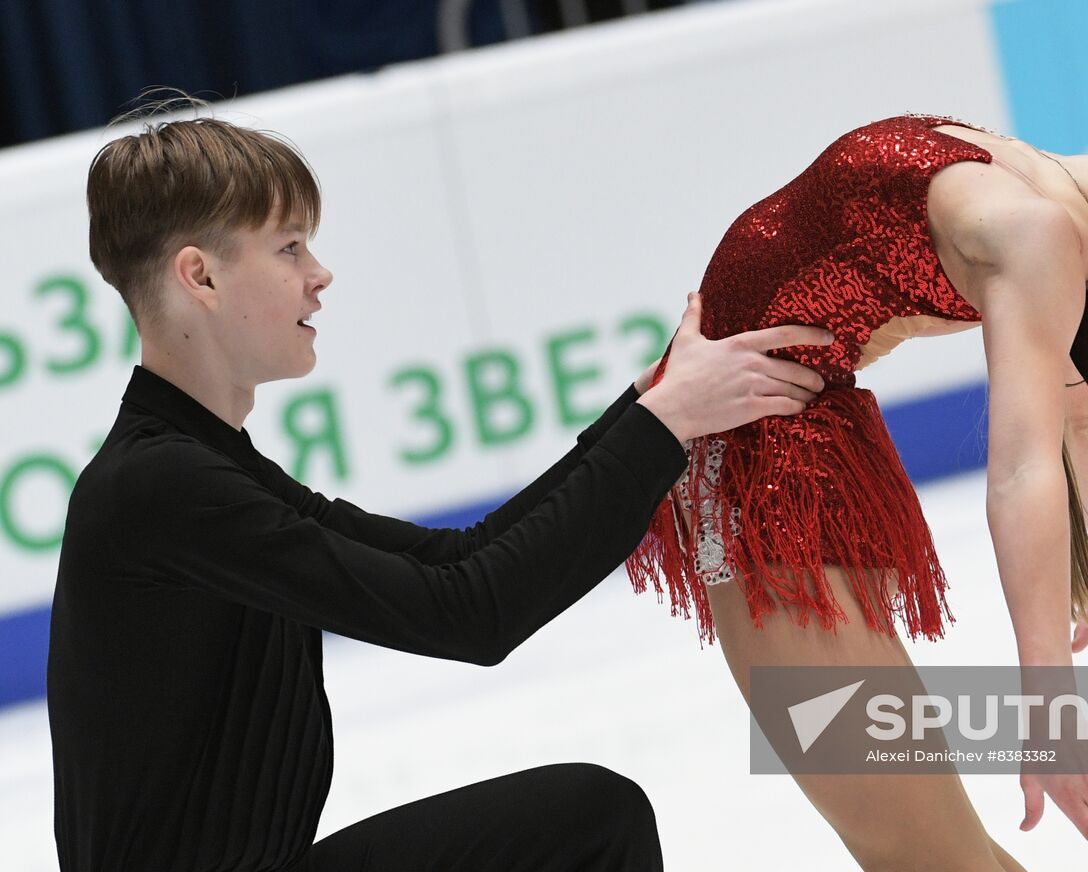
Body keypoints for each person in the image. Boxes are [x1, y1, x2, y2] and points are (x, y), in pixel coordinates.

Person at [46, 105, 834, 872]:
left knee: (584, 819)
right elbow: (474, 613)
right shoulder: (162, 487)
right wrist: (663, 423)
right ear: (202, 277)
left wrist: (649, 402)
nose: (320, 276)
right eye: (289, 249)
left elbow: (458, 560)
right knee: (588, 823)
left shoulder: (197, 465)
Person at [626, 113, 1088, 871]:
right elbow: (1083, 410)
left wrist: (1051, 705)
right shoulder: (1060, 215)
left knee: (932, 862)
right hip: (770, 449)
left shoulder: (1040, 230)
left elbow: (1027, 469)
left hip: (776, 474)